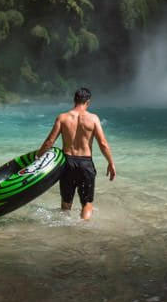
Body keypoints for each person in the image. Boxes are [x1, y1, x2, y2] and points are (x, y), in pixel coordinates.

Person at [37, 86, 116, 220]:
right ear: (88, 102)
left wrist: (37, 158)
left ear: (74, 100)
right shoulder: (93, 119)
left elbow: (49, 142)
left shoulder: (62, 118)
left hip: (66, 163)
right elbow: (103, 144)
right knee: (87, 203)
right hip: (85, 164)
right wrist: (111, 163)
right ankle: (84, 230)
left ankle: (64, 229)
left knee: (66, 203)